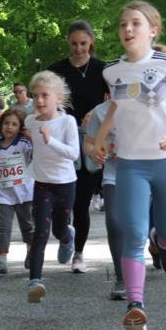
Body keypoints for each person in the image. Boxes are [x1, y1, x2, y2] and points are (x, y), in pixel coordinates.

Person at [92, 1, 166, 330]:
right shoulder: (112, 70)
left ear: (153, 30)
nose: (128, 29)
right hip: (129, 164)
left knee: (165, 230)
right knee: (133, 233)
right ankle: (135, 306)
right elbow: (115, 104)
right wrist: (99, 136)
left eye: (135, 24)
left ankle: (165, 243)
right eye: (123, 24)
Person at [48, 21, 109, 274]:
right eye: (74, 43)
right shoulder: (57, 71)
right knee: (62, 201)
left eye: (83, 43)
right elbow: (47, 102)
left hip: (94, 138)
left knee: (82, 200)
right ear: (68, 42)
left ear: (91, 42)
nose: (79, 48)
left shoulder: (103, 69)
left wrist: (96, 111)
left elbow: (116, 100)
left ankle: (79, 252)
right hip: (64, 138)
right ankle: (64, 234)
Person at [24, 71, 80, 303]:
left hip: (65, 185)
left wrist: (50, 140)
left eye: (45, 95)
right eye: (35, 95)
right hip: (42, 184)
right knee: (41, 232)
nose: (39, 101)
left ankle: (68, 237)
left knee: (59, 230)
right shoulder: (30, 121)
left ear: (58, 97)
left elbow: (73, 154)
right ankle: (35, 280)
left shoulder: (67, 121)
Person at [83, 97, 126, 299]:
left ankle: (161, 241)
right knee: (114, 222)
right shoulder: (99, 111)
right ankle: (121, 278)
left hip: (145, 174)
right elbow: (88, 143)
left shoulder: (147, 104)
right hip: (114, 175)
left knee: (139, 228)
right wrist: (93, 153)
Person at [0, 108, 34, 275]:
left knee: (27, 226)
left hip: (25, 192)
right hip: (5, 194)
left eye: (14, 124)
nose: (9, 127)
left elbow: (34, 157)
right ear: (1, 126)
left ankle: (31, 252)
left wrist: (32, 138)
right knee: (4, 227)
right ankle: (2, 260)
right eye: (7, 123)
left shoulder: (24, 143)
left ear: (20, 127)